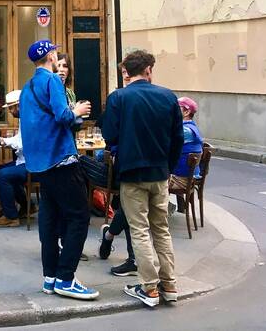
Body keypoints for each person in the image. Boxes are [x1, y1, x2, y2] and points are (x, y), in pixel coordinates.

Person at [102, 50, 184, 307]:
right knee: (161, 229)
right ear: (148, 70)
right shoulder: (168, 97)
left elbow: (109, 135)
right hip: (159, 172)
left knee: (139, 230)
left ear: (128, 71)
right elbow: (178, 139)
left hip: (132, 172)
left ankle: (149, 288)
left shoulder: (119, 98)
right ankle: (168, 283)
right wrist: (167, 167)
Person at [20, 40, 97, 300]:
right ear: (51, 56)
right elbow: (63, 116)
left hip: (40, 164)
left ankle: (50, 277)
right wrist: (78, 110)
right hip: (61, 159)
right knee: (79, 216)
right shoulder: (53, 81)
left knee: (50, 221)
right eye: (55, 53)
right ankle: (66, 278)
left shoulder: (27, 87)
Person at [97, 66, 138, 277]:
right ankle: (134, 259)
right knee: (129, 209)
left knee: (129, 208)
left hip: (129, 163)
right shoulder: (163, 96)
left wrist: (114, 148)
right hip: (139, 165)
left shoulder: (119, 98)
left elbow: (108, 131)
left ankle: (110, 236)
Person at [0, 90, 29, 228]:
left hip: (30, 163)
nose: (10, 111)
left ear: (19, 105)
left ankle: (11, 216)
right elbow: (19, 140)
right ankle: (27, 207)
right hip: (24, 161)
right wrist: (5, 141)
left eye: (11, 108)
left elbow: (23, 143)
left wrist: (5, 142)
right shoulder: (24, 117)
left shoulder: (27, 119)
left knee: (2, 175)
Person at [169, 96, 204, 212]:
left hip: (180, 180)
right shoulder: (191, 127)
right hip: (188, 176)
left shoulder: (185, 131)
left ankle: (163, 209)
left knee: (150, 181)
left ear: (187, 112)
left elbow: (165, 145)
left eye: (177, 108)